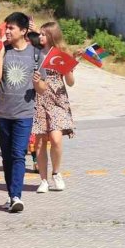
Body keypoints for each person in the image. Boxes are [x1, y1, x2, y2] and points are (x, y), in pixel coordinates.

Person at [0, 12, 48, 213]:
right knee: (7, 156)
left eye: (11, 28)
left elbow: (42, 89)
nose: (7, 31)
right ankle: (11, 194)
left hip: (24, 113)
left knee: (18, 154)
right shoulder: (3, 51)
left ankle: (16, 196)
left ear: (23, 31)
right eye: (6, 27)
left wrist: (37, 83)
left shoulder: (36, 54)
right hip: (2, 112)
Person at [33, 22, 76, 193]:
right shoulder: (35, 53)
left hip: (57, 99)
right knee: (40, 141)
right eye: (40, 34)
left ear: (52, 36)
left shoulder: (61, 54)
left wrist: (68, 69)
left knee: (56, 139)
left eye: (44, 34)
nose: (40, 37)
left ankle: (56, 173)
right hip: (38, 98)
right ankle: (43, 180)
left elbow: (71, 82)